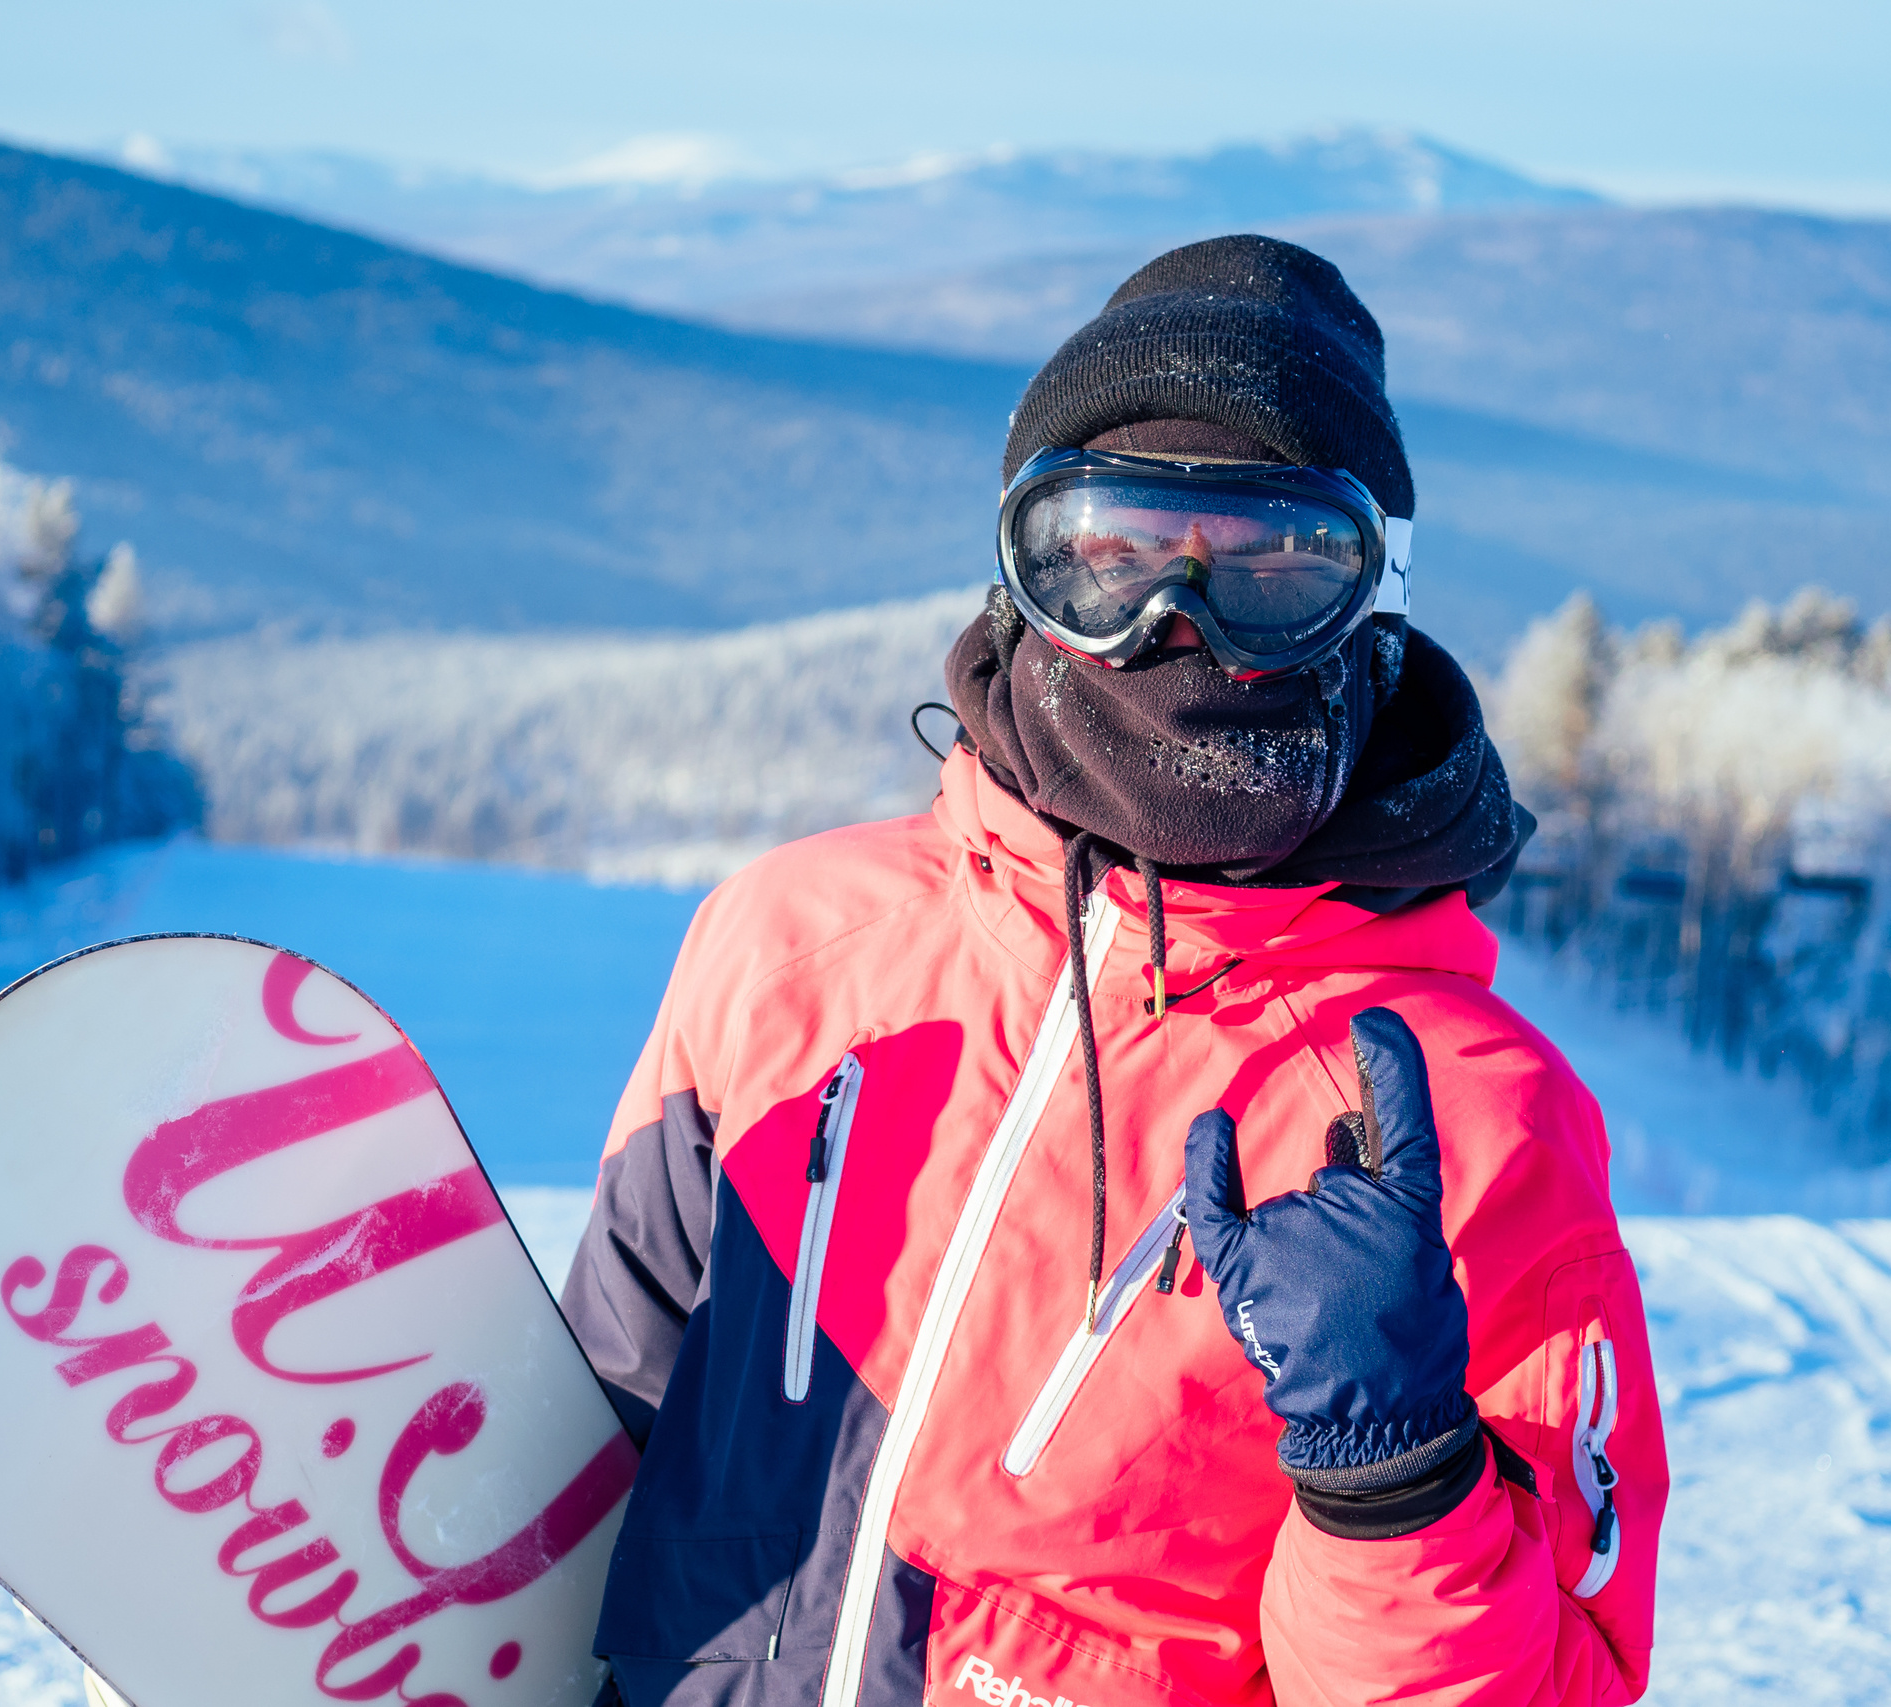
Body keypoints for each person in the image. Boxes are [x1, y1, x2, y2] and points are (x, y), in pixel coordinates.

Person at [561, 235, 1665, 1707]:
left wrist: (1395, 1479)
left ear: (1373, 600)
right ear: (1026, 576)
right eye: (1112, 554)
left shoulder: (1460, 1121)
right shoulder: (796, 943)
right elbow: (581, 1442)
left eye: (1276, 567)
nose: (1177, 628)